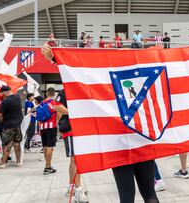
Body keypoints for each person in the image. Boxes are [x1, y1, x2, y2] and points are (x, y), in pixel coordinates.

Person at [41, 43, 159, 203]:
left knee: (127, 196)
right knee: (150, 195)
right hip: (142, 141)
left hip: (120, 146)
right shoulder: (143, 83)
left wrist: (55, 59)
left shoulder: (108, 85)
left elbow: (82, 75)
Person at [52, 90, 89, 203]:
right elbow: (56, 106)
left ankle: (72, 186)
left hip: (81, 128)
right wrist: (74, 113)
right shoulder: (65, 90)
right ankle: (78, 190)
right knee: (75, 159)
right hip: (71, 129)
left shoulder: (82, 88)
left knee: (77, 159)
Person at [0, 86, 24, 168]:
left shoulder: (5, 101)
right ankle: (18, 162)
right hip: (17, 125)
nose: (1, 95)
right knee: (17, 143)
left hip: (8, 125)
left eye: (1, 93)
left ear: (4, 92)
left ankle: (3, 163)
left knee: (7, 144)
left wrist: (1, 119)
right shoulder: (17, 97)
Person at [39, 87, 59, 175]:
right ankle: (47, 167)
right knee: (50, 147)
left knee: (45, 146)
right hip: (51, 126)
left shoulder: (42, 102)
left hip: (42, 127)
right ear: (54, 94)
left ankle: (48, 165)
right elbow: (59, 115)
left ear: (47, 93)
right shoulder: (55, 103)